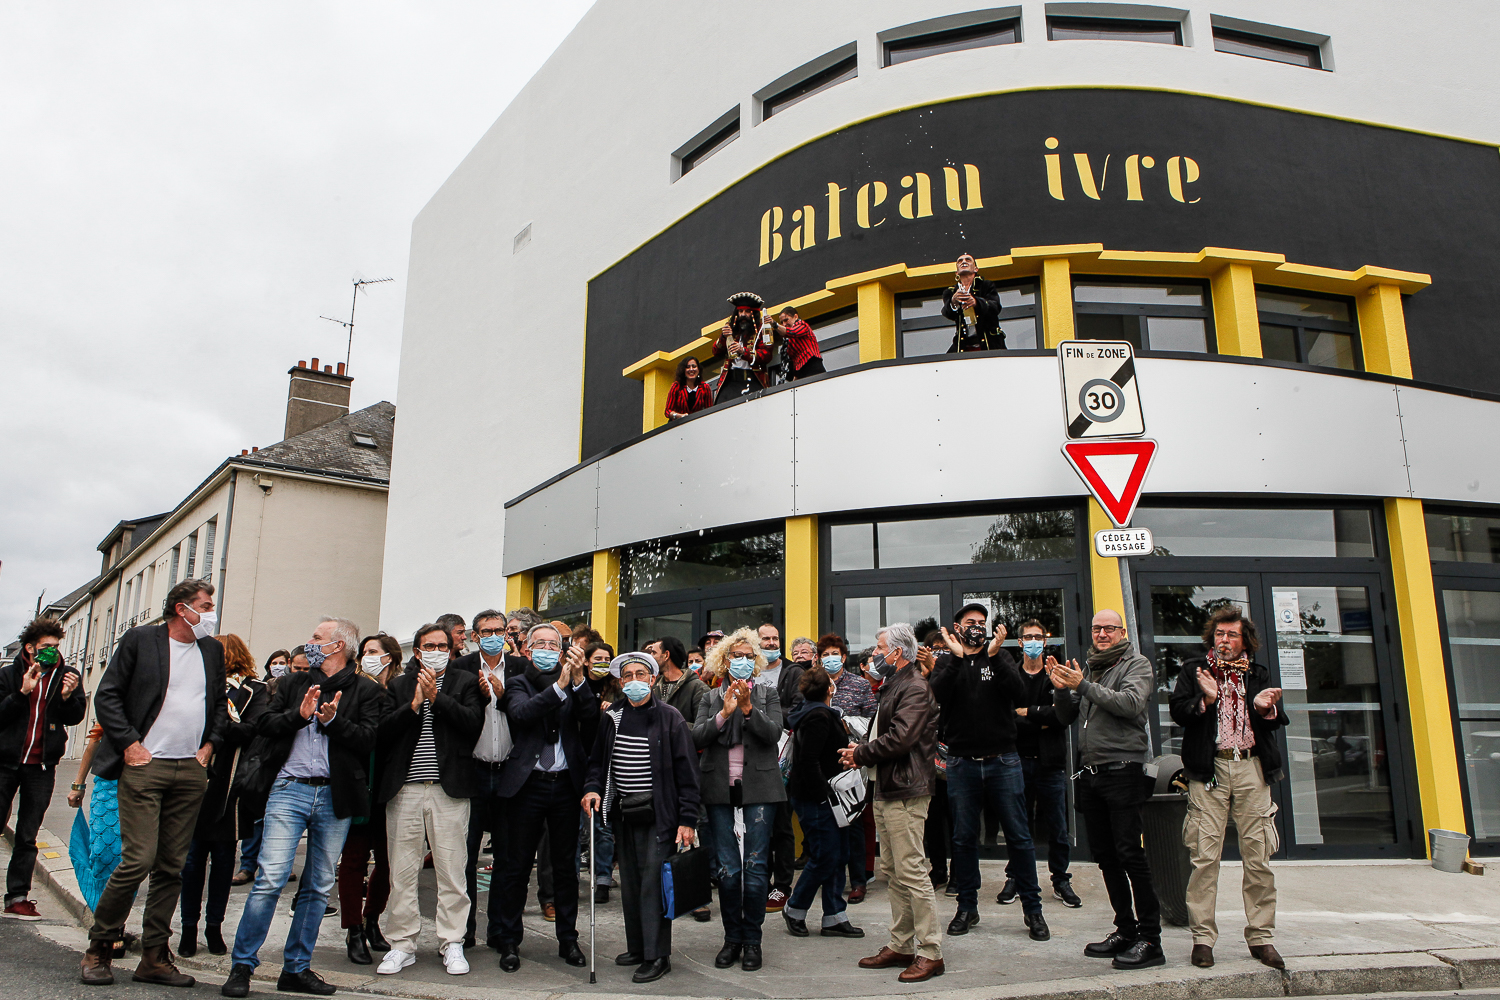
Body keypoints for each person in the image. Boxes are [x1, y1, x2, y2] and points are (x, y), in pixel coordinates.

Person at [221, 617, 383, 997]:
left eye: (316, 637)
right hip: (288, 790)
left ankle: (296, 968)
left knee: (317, 886)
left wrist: (333, 721)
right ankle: (242, 966)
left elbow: (368, 741)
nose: (309, 642)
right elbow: (264, 724)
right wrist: (300, 716)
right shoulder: (293, 682)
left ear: (338, 646)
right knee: (270, 879)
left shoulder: (365, 691)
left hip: (334, 795)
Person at [80, 579, 226, 988]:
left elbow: (217, 703)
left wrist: (210, 745)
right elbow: (107, 695)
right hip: (146, 766)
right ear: (182, 609)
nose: (212, 612)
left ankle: (154, 957)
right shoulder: (141, 640)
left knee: (170, 866)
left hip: (190, 769)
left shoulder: (211, 651)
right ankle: (100, 945)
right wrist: (129, 744)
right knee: (138, 860)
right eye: (206, 605)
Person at [1170, 606, 1288, 970]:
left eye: (1232, 635)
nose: (1224, 640)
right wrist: (1204, 699)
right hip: (1211, 769)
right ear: (1212, 637)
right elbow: (1178, 713)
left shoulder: (1258, 672)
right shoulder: (1194, 671)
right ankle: (1203, 938)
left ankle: (1261, 937)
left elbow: (1273, 721)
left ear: (1244, 640)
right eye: (1219, 634)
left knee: (1258, 856)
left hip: (1252, 766)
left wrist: (1263, 708)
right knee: (1205, 857)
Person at [928, 604, 1049, 941]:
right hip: (962, 763)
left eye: (982, 623)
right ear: (957, 627)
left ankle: (1033, 911)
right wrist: (954, 657)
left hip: (1003, 762)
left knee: (1020, 838)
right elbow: (936, 695)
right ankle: (967, 907)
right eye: (971, 623)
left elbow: (1019, 693)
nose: (977, 628)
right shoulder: (946, 662)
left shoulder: (1001, 659)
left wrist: (995, 656)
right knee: (964, 839)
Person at [1051, 609, 1163, 970]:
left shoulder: (1136, 664)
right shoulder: (1091, 668)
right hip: (1092, 773)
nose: (1101, 634)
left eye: (1108, 628)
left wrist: (1081, 685)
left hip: (1123, 771)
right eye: (1097, 628)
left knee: (1131, 855)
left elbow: (1130, 705)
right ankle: (1125, 929)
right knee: (1106, 857)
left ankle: (1151, 939)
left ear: (1122, 632)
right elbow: (1066, 718)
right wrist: (1061, 691)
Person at [582, 652, 700, 984]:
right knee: (632, 884)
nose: (634, 681)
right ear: (620, 681)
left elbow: (687, 773)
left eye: (641, 674)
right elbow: (597, 762)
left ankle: (657, 955)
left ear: (652, 679)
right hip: (624, 811)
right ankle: (638, 946)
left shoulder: (670, 717)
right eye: (628, 675)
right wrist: (592, 789)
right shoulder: (613, 717)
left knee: (653, 886)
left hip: (660, 814)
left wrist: (687, 819)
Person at [374, 624, 484, 977]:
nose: (435, 650)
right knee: (402, 872)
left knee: (452, 872)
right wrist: (415, 704)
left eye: (442, 645)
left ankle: (452, 942)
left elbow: (472, 725)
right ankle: (401, 944)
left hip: (448, 790)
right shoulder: (399, 685)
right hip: (404, 790)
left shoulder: (464, 682)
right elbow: (383, 733)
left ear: (451, 650)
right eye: (428, 645)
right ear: (417, 651)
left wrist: (437, 698)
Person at [839, 623, 944, 983]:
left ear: (897, 653)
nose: (874, 654)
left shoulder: (914, 686)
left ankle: (930, 952)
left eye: (879, 647)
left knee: (912, 872)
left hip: (906, 791)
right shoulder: (894, 685)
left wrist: (861, 754)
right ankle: (901, 944)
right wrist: (863, 751)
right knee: (896, 873)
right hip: (887, 789)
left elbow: (900, 738)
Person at [493, 624, 598, 973]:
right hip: (528, 784)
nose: (548, 649)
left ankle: (568, 938)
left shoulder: (574, 679)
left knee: (566, 867)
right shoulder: (518, 681)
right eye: (541, 643)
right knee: (516, 864)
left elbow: (590, 718)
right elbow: (522, 713)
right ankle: (509, 940)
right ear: (527, 649)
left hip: (567, 784)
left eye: (555, 644)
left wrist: (579, 679)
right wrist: (559, 687)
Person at [694, 630, 784, 971]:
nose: (742, 661)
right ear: (724, 661)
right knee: (728, 870)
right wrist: (724, 714)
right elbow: (698, 736)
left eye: (748, 655)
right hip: (718, 786)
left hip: (760, 787)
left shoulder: (767, 693)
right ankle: (732, 938)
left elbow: (774, 734)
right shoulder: (709, 697)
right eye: (736, 656)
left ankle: (752, 941)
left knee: (757, 867)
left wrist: (747, 709)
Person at [178, 634, 266, 958]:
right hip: (196, 782)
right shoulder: (197, 685)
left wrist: (222, 720)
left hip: (231, 786)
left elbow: (250, 731)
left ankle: (213, 927)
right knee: (191, 862)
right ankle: (188, 929)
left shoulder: (255, 690)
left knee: (223, 863)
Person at [0, 617, 86, 920]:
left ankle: (17, 897)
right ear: (30, 648)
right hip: (4, 763)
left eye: (55, 647)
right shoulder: (9, 675)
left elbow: (75, 717)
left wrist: (65, 698)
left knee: (27, 833)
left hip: (42, 766)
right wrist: (22, 692)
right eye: (45, 647)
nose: (51, 652)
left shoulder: (68, 677)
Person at [454, 611, 527, 949]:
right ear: (474, 635)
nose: (495, 635)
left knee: (508, 859)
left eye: (500, 630)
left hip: (510, 772)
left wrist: (503, 695)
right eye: (487, 631)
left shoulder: (521, 669)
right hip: (473, 771)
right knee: (465, 857)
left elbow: (529, 718)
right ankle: (463, 930)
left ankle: (499, 930)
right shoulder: (461, 669)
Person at [1004, 619, 1080, 909]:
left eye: (1038, 637)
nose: (1033, 641)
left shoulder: (1055, 675)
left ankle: (1060, 880)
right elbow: (1007, 718)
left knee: (1057, 828)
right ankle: (1015, 877)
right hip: (1016, 763)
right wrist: (1040, 718)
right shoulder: (1011, 676)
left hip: (1050, 765)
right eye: (1028, 637)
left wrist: (1029, 713)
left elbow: (1062, 717)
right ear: (1020, 642)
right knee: (1017, 825)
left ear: (1045, 642)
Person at [784, 664, 863, 941]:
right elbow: (808, 760)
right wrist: (825, 795)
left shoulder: (813, 713)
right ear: (830, 689)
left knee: (839, 854)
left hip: (827, 797)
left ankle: (834, 917)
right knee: (824, 855)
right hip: (818, 799)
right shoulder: (818, 716)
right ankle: (794, 908)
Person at [337, 633, 402, 964]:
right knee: (353, 861)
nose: (367, 657)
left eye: (373, 651)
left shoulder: (402, 690)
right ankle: (353, 930)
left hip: (390, 789)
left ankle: (372, 920)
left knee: (390, 863)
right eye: (364, 652)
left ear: (389, 657)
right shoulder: (352, 690)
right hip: (358, 786)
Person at [818, 634, 874, 903]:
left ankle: (859, 881)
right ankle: (833, 877)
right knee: (830, 822)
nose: (831, 658)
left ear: (843, 656)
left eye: (835, 653)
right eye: (825, 653)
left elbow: (873, 720)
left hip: (851, 760)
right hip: (824, 761)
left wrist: (848, 724)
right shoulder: (814, 683)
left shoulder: (860, 684)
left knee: (855, 821)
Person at [232, 648, 289, 888]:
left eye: (282, 663)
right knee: (254, 816)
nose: (277, 666)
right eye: (273, 662)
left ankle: (275, 865)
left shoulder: (291, 688)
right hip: (258, 756)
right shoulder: (260, 688)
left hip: (281, 759)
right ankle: (248, 865)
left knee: (276, 818)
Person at [753, 623, 798, 912]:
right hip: (752, 757)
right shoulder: (748, 669)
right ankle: (761, 882)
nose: (771, 643)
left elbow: (797, 709)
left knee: (781, 824)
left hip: (781, 758)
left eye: (775, 639)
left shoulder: (793, 673)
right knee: (756, 825)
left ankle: (782, 886)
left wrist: (764, 714)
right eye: (765, 639)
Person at [581, 642, 618, 902]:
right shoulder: (577, 686)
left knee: (603, 825)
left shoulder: (617, 690)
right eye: (598, 658)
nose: (602, 663)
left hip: (605, 764)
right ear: (586, 662)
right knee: (576, 827)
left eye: (607, 659)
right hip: (577, 761)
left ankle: (603, 878)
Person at [713, 292, 774, 402]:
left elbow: (767, 355)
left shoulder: (763, 329)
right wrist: (723, 336)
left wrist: (743, 351)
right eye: (740, 311)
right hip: (730, 381)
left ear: (753, 313)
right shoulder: (732, 328)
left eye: (747, 311)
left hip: (754, 379)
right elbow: (716, 352)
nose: (743, 315)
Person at [941, 253, 1004, 352]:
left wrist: (976, 302)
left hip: (989, 344)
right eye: (960, 261)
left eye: (968, 260)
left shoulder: (986, 285)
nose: (964, 262)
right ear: (956, 272)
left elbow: (995, 307)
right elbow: (947, 313)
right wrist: (954, 302)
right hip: (964, 346)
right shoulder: (950, 292)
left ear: (976, 269)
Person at [647, 636, 708, 727]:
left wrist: (672, 725)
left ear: (666, 655)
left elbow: (702, 729)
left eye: (654, 653)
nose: (650, 657)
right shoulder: (654, 686)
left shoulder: (698, 688)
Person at [771, 306, 826, 380]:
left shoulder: (802, 325)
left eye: (786, 320)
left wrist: (775, 324)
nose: (784, 324)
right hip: (801, 371)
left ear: (795, 316)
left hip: (812, 365)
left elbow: (793, 332)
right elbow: (793, 360)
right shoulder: (789, 340)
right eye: (782, 322)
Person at [665, 355, 713, 420]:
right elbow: (668, 411)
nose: (691, 369)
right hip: (678, 425)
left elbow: (709, 410)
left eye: (694, 366)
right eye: (687, 367)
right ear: (683, 371)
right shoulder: (676, 386)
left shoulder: (705, 387)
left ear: (698, 370)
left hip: (697, 424)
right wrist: (678, 415)